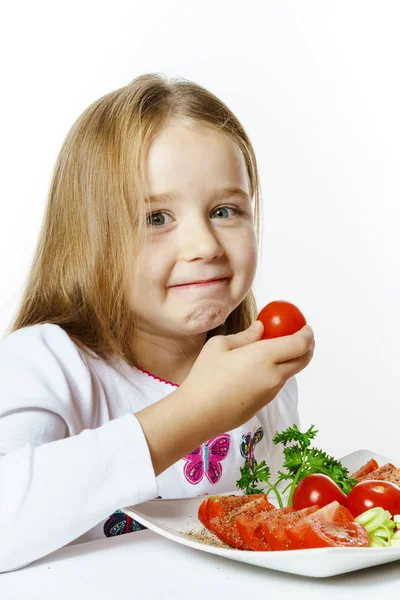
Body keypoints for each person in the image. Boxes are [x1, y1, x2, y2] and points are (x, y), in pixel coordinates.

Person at [0, 73, 314, 572]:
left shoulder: (260, 373)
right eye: (156, 218)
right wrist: (191, 414)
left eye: (225, 210)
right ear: (88, 239)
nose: (206, 246)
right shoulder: (47, 364)